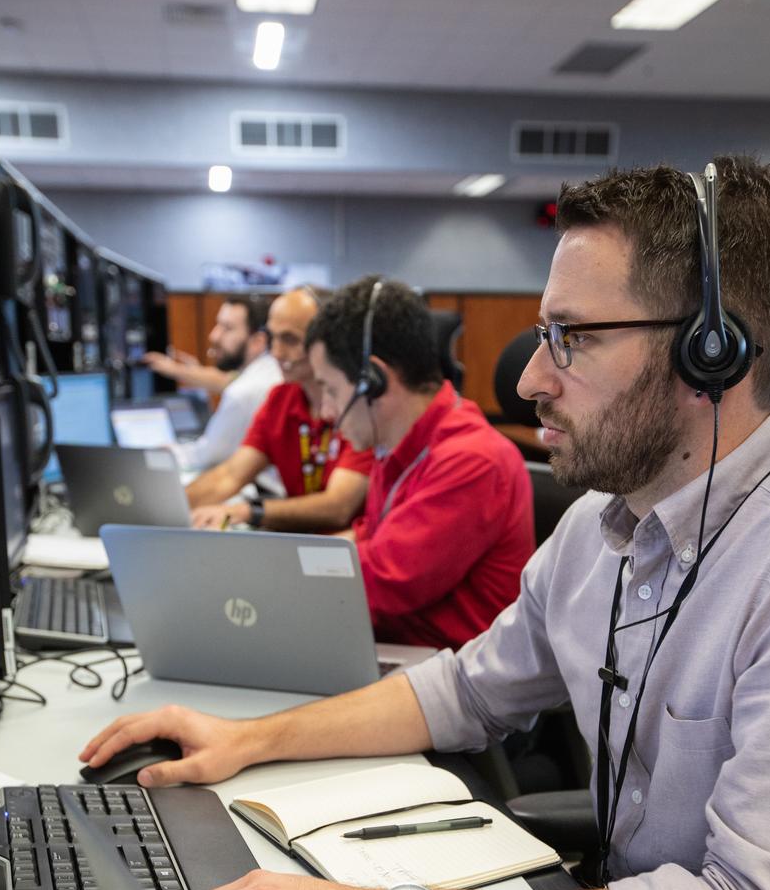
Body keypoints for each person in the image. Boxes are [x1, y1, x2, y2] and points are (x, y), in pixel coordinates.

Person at [82, 156, 770, 890]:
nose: (527, 381)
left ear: (711, 353)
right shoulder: (605, 529)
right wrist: (249, 742)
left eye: (573, 337)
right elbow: (464, 691)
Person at [304, 276, 535, 648]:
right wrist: (286, 556)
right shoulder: (395, 445)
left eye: (330, 390)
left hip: (459, 681)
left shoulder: (474, 459)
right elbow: (370, 537)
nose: (326, 411)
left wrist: (287, 575)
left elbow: (383, 582)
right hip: (407, 657)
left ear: (373, 380)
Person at [186, 287, 373, 532]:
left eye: (290, 339)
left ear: (329, 343)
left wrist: (251, 511)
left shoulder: (360, 406)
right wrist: (164, 512)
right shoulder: (281, 399)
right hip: (300, 547)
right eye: (273, 338)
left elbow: (338, 506)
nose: (276, 352)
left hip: (347, 554)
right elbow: (230, 475)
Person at [148, 295, 283, 480]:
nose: (214, 335)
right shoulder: (268, 371)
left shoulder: (245, 391)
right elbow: (224, 380)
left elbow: (207, 457)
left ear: (257, 342)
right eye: (217, 325)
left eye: (227, 328)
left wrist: (162, 452)